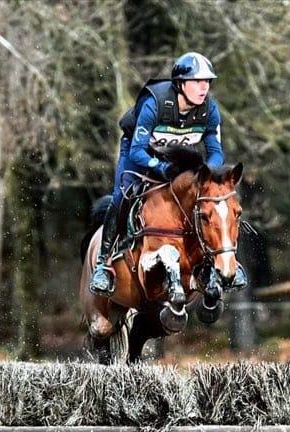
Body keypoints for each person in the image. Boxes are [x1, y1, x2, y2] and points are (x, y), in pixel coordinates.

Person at [89, 51, 248, 297]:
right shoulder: (155, 103)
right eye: (197, 82)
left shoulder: (210, 110)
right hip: (139, 155)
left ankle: (220, 262)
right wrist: (162, 169)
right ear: (180, 84)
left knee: (209, 205)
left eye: (207, 82)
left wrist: (205, 174)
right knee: (122, 196)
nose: (204, 87)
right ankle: (103, 263)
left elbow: (216, 153)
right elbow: (138, 151)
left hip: (177, 161)